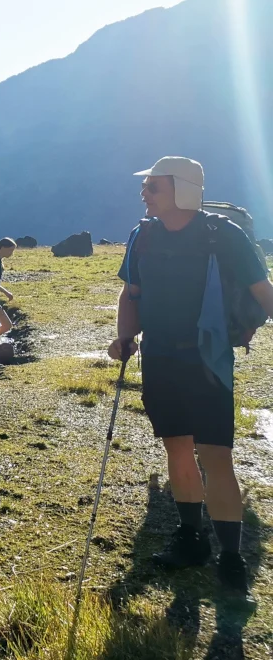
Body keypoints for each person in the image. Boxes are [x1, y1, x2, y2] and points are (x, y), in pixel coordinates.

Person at [110, 156, 273, 602]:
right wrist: (125, 337)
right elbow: (132, 293)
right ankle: (191, 538)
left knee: (216, 455)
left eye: (154, 186)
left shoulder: (224, 235)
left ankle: (232, 557)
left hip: (207, 360)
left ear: (181, 189)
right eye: (146, 186)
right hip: (160, 359)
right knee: (177, 448)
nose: (145, 193)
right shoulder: (141, 236)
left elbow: (264, 293)